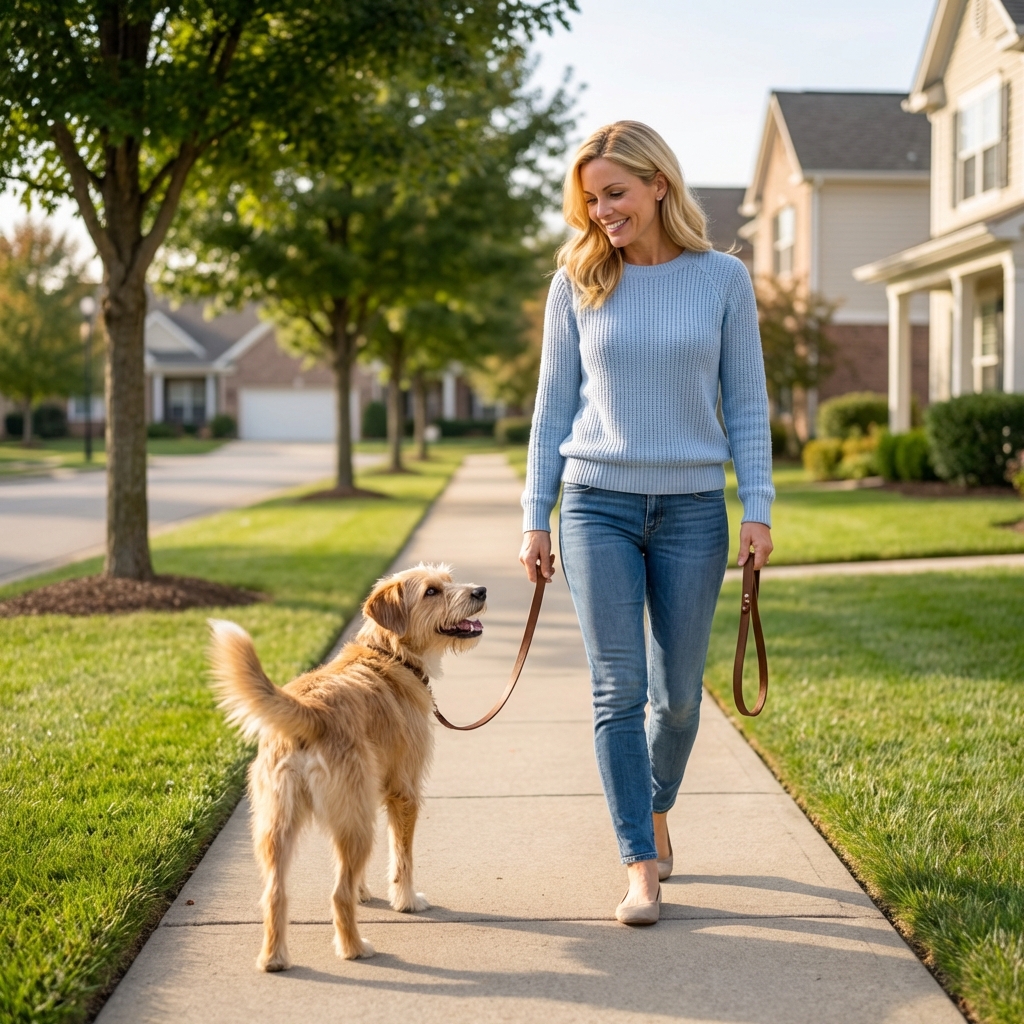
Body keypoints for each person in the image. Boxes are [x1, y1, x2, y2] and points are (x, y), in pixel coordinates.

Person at [519, 121, 774, 926]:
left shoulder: (723, 279)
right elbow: (552, 406)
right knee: (616, 689)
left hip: (695, 509)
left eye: (616, 194)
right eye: (591, 200)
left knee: (680, 701)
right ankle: (639, 864)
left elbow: (747, 404)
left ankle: (656, 805)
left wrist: (758, 507)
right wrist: (536, 516)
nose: (601, 213)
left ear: (659, 184)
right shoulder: (578, 282)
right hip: (597, 503)